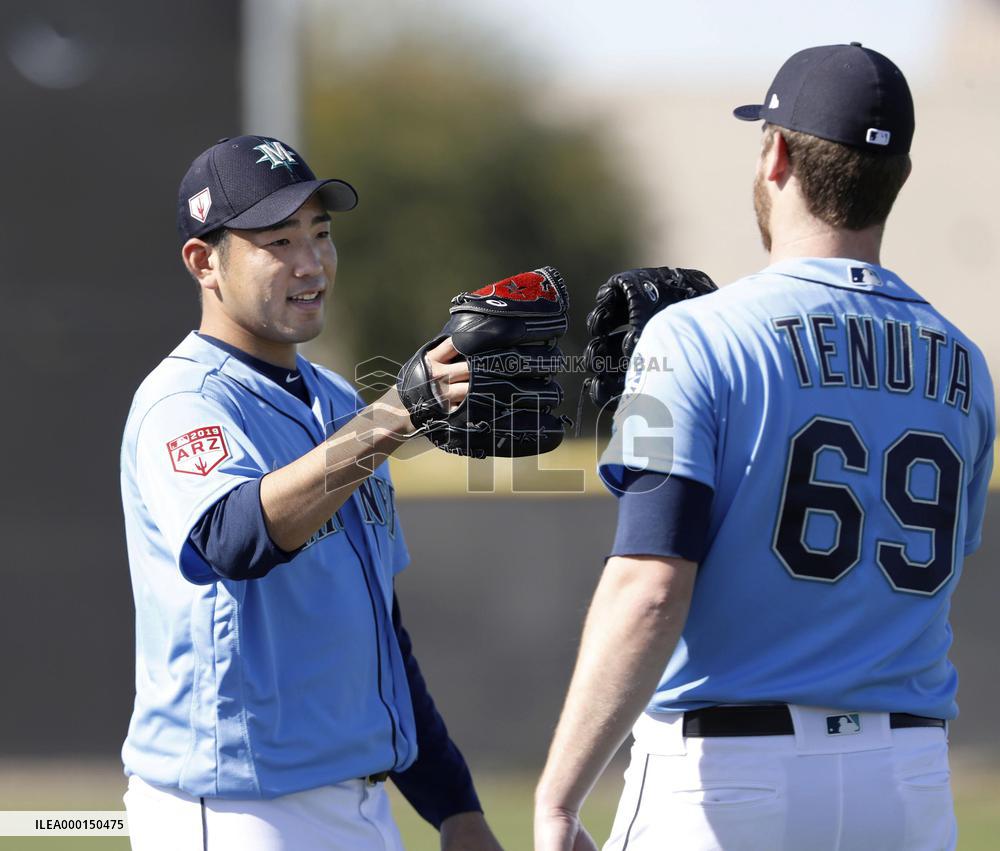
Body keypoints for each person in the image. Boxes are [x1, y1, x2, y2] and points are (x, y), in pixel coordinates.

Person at [534, 44, 995, 851]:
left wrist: (560, 793)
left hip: (732, 776)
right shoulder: (965, 363)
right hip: (908, 778)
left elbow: (648, 588)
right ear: (899, 178)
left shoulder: (691, 337)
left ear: (776, 153)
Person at [119, 134, 505, 850]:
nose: (311, 262)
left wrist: (455, 805)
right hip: (235, 805)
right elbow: (234, 538)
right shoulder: (184, 399)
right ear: (205, 261)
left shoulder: (336, 401)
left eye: (320, 234)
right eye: (277, 240)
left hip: (358, 803)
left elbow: (379, 639)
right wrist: (395, 416)